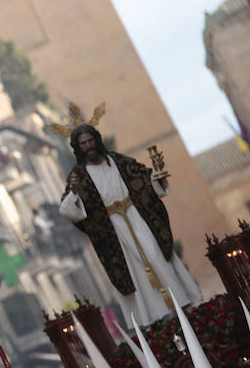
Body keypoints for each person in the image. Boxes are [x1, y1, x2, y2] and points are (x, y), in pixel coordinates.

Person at [58, 121, 203, 323]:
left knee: (156, 258)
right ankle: (155, 319)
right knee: (135, 273)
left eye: (91, 140)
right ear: (78, 148)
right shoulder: (78, 176)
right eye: (83, 143)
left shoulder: (118, 161)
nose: (89, 146)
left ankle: (183, 305)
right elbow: (66, 208)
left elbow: (144, 179)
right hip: (114, 232)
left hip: (138, 218)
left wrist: (157, 170)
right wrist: (74, 192)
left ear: (97, 140)